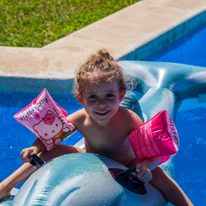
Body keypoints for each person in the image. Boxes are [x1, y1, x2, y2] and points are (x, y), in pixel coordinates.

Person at [0, 49, 193, 206]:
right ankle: (6, 186)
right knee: (49, 153)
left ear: (122, 95)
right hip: (90, 157)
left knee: (165, 182)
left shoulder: (129, 119)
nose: (102, 104)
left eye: (109, 96)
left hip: (127, 163)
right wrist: (36, 148)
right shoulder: (79, 118)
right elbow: (50, 137)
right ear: (80, 98)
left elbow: (152, 152)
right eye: (93, 97)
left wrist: (146, 167)